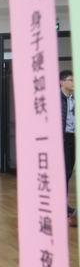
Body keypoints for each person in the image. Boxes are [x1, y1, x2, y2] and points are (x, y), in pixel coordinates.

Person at [60, 70, 76, 226]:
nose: (73, 83)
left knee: (69, 172)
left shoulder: (73, 98)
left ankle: (63, 204)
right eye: (70, 80)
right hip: (61, 138)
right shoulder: (56, 99)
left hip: (72, 137)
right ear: (62, 82)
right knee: (63, 173)